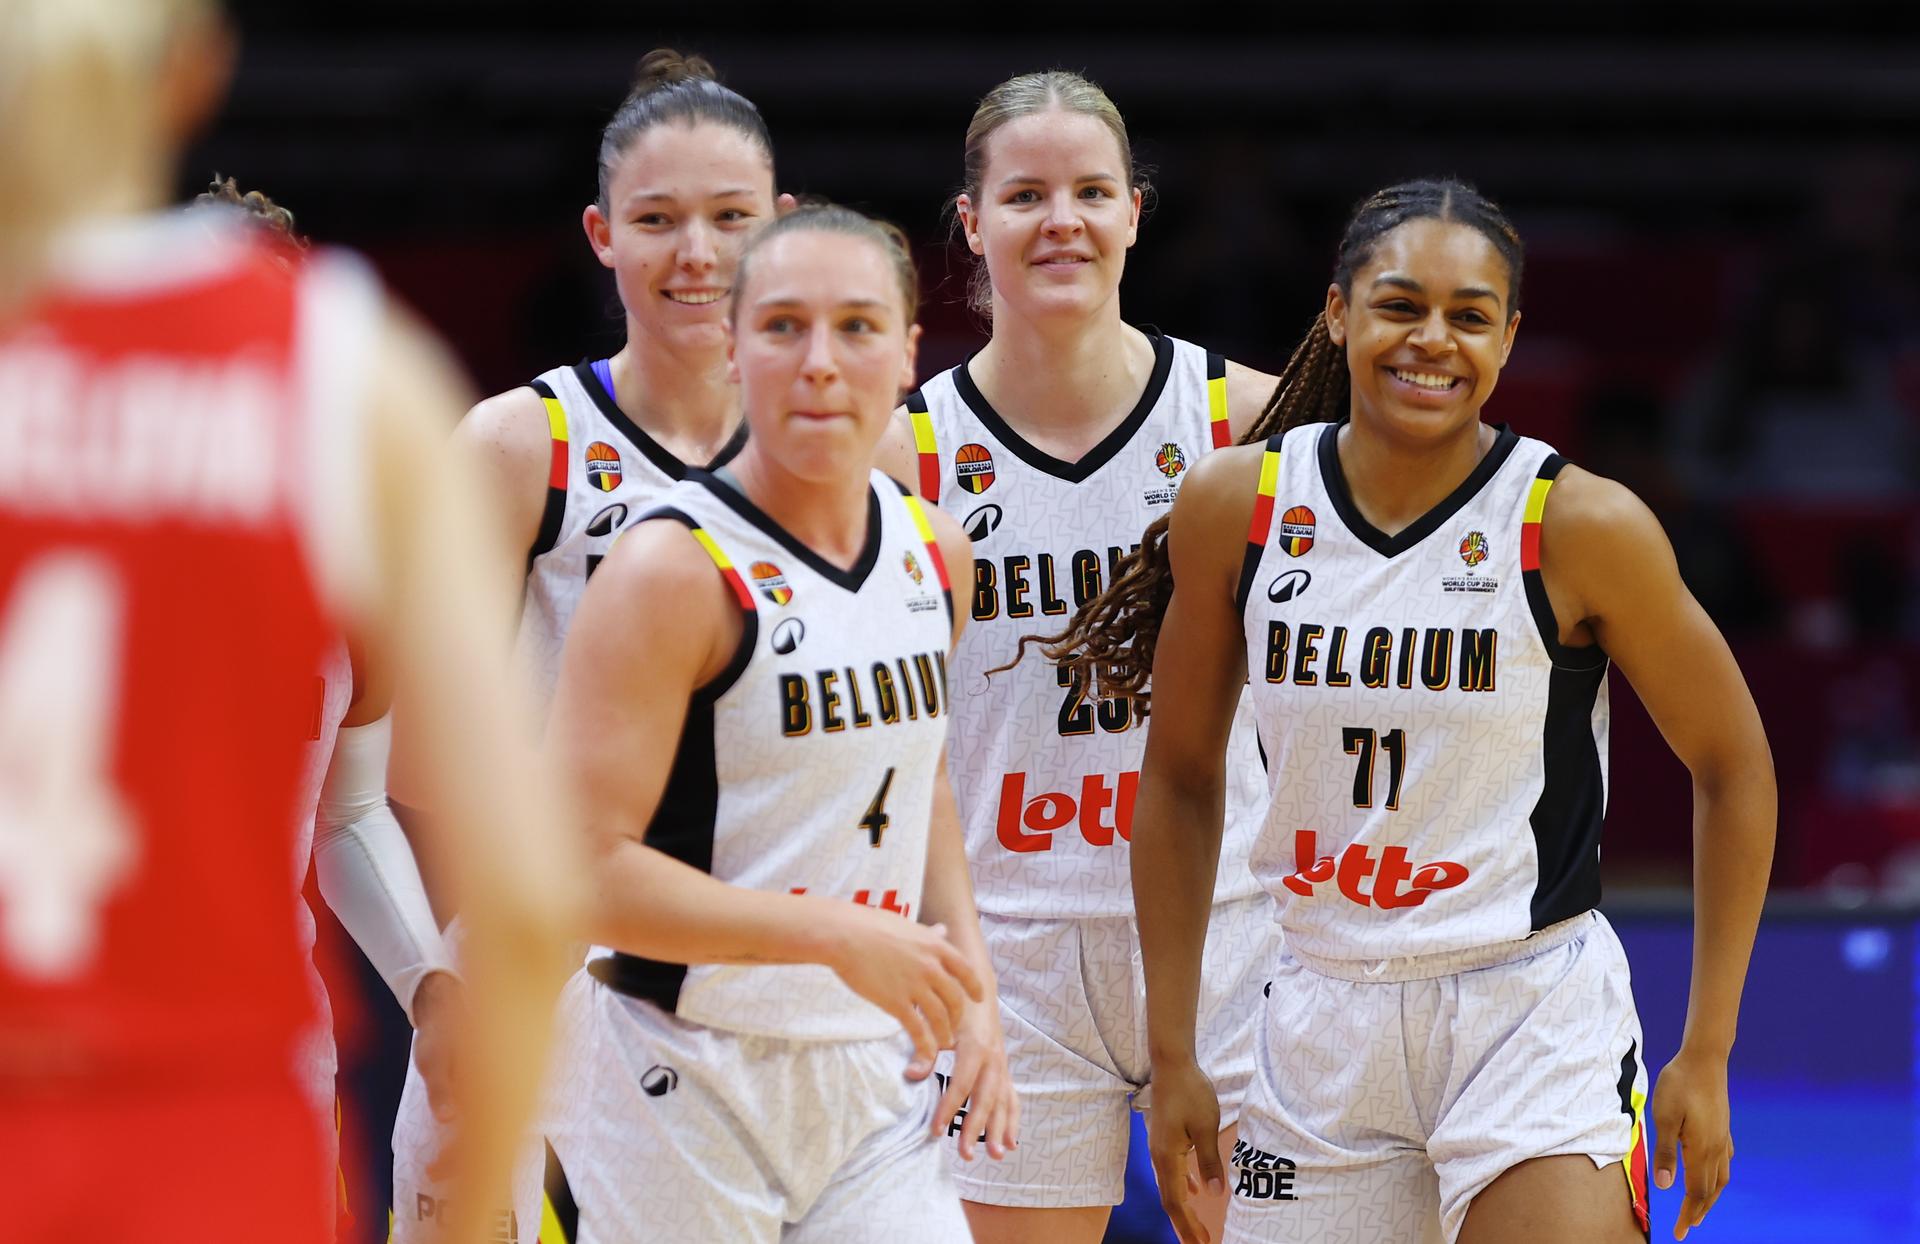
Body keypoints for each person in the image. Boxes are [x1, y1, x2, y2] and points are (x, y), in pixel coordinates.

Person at [1048, 179, 1775, 1244]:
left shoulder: (1580, 523)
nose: (1433, 339)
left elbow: (1734, 763)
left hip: (1525, 1009)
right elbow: (1183, 777)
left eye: (1469, 316)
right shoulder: (1237, 505)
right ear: (1338, 313)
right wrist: (1174, 1051)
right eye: (1399, 305)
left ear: (1509, 339)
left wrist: (1707, 1050)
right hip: (1316, 1009)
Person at [0, 3, 572, 1243]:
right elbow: (526, 893)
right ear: (197, 68)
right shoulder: (350, 383)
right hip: (222, 1099)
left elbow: (352, 807)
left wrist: (425, 981)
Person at [541, 203, 1015, 1242]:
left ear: (907, 355)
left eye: (857, 327)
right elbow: (579, 871)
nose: (820, 362)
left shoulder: (937, 552)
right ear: (732, 348)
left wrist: (973, 988)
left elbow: (919, 782)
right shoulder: (669, 569)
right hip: (683, 1067)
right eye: (784, 326)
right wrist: (830, 933)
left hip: (877, 1068)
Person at [384, 50, 790, 1243]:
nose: (697, 252)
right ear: (601, 234)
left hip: (761, 978)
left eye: (730, 217)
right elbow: (419, 762)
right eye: (657, 220)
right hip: (542, 963)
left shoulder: (845, 455)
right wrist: (453, 977)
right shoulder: (517, 444)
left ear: (782, 222)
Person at [873, 68, 1280, 1244]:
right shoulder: (901, 457)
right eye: (1025, 195)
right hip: (1009, 945)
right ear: (971, 222)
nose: (1063, 220)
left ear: (1136, 212)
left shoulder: (1244, 422)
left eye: (1093, 192)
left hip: (1230, 926)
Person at [191, 173, 462, 1237]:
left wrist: (429, 985)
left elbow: (345, 814)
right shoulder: (62, 528)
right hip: (76, 1043)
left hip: (276, 1045)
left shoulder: (356, 568)